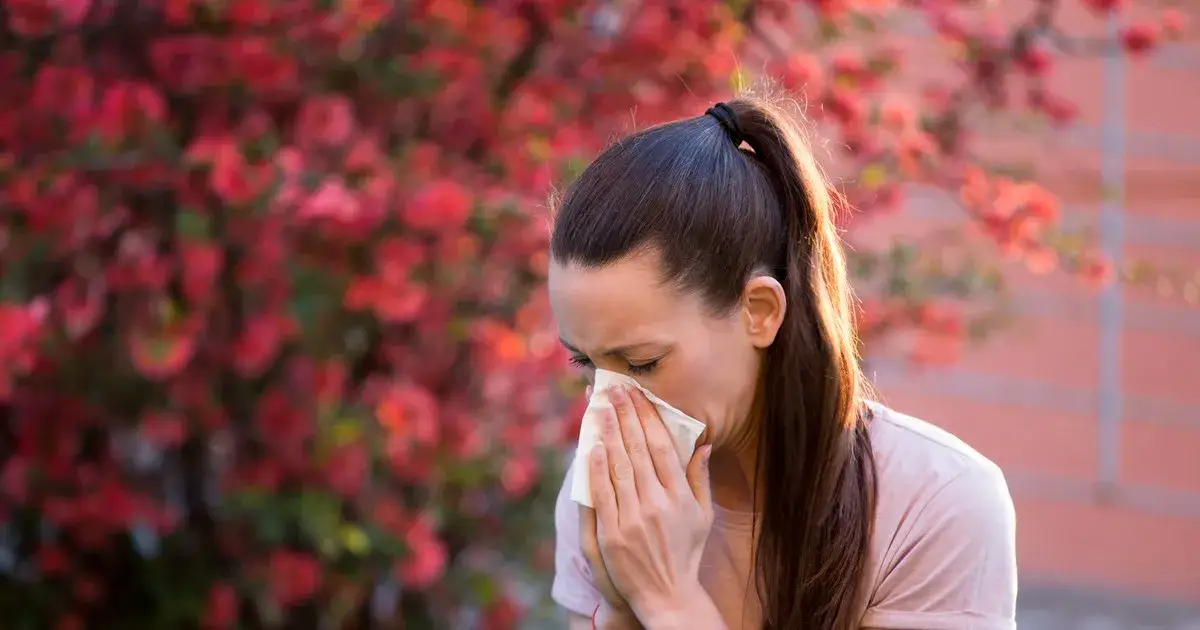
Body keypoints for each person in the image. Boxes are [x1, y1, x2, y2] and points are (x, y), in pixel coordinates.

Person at [545, 96, 1018, 630]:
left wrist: (669, 600)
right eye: (587, 362)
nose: (610, 403)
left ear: (759, 312)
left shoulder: (934, 503)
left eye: (643, 363)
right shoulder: (610, 496)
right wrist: (620, 605)